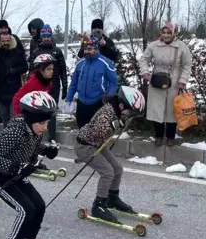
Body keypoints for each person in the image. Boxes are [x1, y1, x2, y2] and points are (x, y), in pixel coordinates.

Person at [0, 91, 59, 239]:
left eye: (47, 123)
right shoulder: (15, 131)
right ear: (31, 118)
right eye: (42, 123)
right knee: (26, 209)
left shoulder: (34, 130)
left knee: (39, 205)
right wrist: (15, 168)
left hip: (15, 173)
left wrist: (47, 149)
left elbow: (35, 145)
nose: (45, 128)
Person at [75, 86, 145, 222]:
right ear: (121, 105)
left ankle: (112, 198)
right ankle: (98, 205)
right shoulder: (107, 113)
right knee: (107, 172)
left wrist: (121, 121)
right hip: (85, 146)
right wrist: (117, 124)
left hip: (97, 144)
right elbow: (98, 132)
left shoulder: (117, 111)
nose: (130, 114)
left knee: (117, 169)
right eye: (130, 111)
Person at [139, 22, 193, 147]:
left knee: (171, 111)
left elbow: (187, 64)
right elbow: (144, 59)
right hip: (157, 80)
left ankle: (170, 137)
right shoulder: (154, 45)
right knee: (156, 110)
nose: (166, 35)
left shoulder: (181, 47)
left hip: (174, 82)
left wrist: (183, 80)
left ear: (174, 33)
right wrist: (145, 72)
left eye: (169, 33)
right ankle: (158, 136)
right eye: (164, 32)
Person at [65, 36, 118, 128]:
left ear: (96, 49)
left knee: (96, 134)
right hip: (81, 104)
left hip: (97, 103)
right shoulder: (80, 64)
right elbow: (74, 83)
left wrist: (109, 96)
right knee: (82, 134)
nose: (86, 51)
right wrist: (68, 99)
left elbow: (114, 82)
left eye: (90, 49)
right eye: (85, 49)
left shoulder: (105, 63)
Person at [31, 24, 67, 143]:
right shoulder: (37, 51)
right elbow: (31, 69)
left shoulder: (57, 51)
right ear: (41, 37)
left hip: (55, 85)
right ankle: (38, 136)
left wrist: (65, 86)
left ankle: (52, 137)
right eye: (44, 36)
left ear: (51, 37)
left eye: (48, 36)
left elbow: (63, 69)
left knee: (52, 112)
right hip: (40, 86)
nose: (46, 38)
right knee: (40, 111)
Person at [0, 31, 29, 126]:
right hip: (2, 90)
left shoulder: (18, 53)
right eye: (3, 41)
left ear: (11, 41)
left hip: (14, 89)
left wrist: (13, 70)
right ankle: (6, 138)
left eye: (7, 41)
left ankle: (14, 137)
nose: (5, 43)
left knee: (14, 117)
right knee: (5, 117)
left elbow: (25, 67)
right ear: (0, 42)